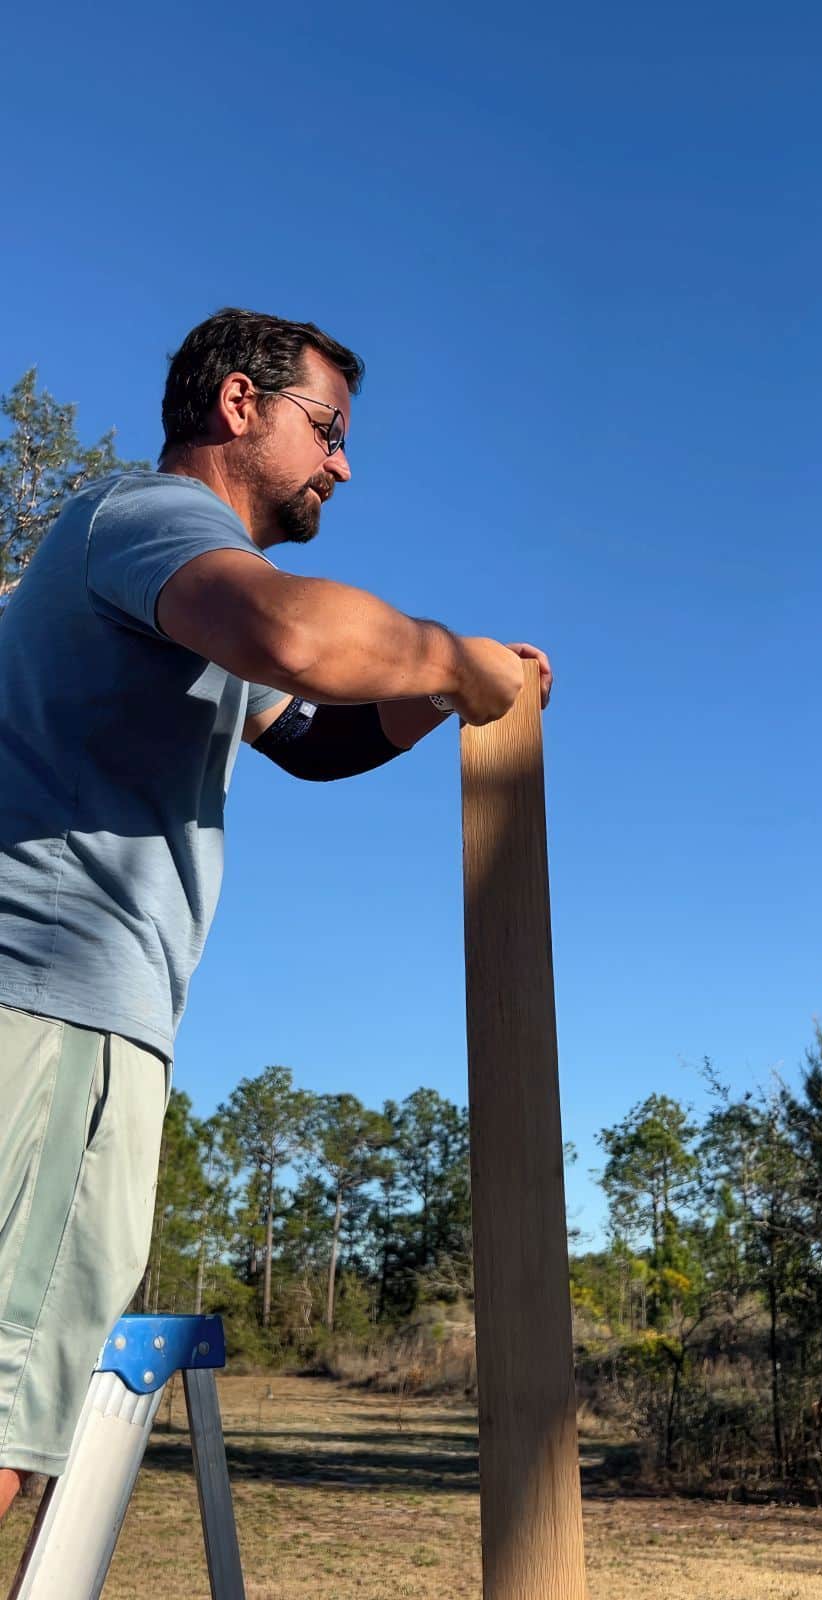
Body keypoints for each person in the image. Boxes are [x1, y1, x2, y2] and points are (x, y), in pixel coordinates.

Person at [0, 307, 553, 1519]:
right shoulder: (153, 518)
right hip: (55, 1006)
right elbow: (299, 635)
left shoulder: (178, 595)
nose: (343, 465)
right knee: (8, 1407)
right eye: (329, 429)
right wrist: (456, 660)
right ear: (239, 406)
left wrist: (446, 695)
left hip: (60, 1009)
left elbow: (313, 738)